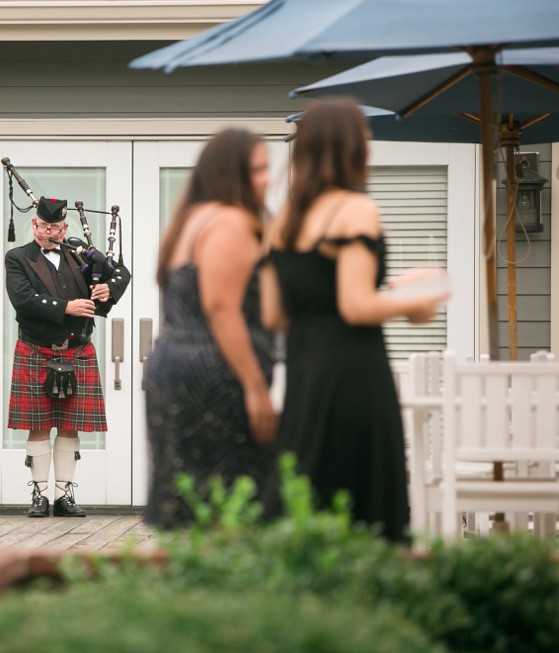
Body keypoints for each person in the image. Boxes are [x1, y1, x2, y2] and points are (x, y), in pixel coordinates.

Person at [259, 98, 446, 543]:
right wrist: (413, 301)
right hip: (355, 372)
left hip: (306, 373)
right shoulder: (355, 209)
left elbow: (274, 314)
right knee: (365, 508)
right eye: (364, 136)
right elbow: (356, 306)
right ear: (348, 147)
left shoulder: (281, 221)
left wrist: (387, 288)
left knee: (310, 494)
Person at [143, 129, 278, 529]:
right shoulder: (230, 221)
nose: (267, 179)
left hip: (173, 364)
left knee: (187, 500)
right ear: (228, 173)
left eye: (267, 168)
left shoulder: (190, 219)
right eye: (256, 170)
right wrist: (255, 387)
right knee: (230, 500)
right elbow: (222, 308)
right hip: (215, 371)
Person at [5, 197, 130, 518]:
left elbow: (121, 273)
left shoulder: (79, 255)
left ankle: (63, 496)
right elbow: (23, 299)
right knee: (38, 425)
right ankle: (40, 496)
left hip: (77, 348)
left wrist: (107, 292)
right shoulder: (18, 258)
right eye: (44, 226)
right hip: (35, 349)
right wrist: (66, 308)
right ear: (33, 224)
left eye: (56, 227)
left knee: (70, 425)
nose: (50, 232)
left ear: (66, 226)